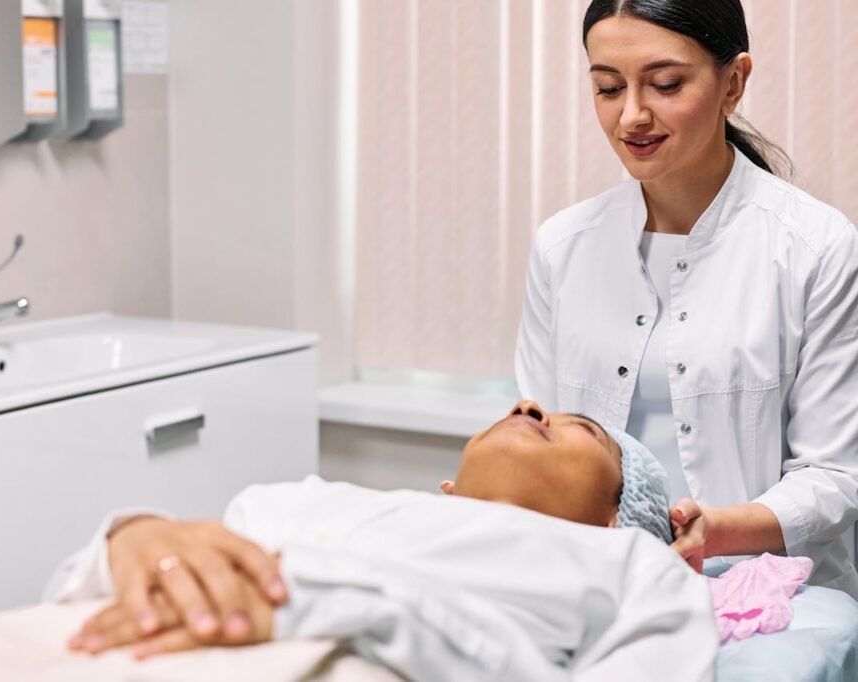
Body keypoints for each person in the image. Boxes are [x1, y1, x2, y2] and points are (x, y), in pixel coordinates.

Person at [515, 0, 858, 597]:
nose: (632, 116)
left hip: (767, 587)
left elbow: (835, 475)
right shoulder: (563, 246)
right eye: (607, 88)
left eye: (666, 84)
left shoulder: (817, 248)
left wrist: (715, 531)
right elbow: (537, 440)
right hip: (596, 580)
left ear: (734, 83)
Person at [50, 402, 717, 681]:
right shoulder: (290, 500)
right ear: (447, 491)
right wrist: (134, 536)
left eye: (583, 428)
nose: (528, 407)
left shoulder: (633, 567)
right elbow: (66, 607)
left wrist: (342, 602)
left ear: (614, 516)